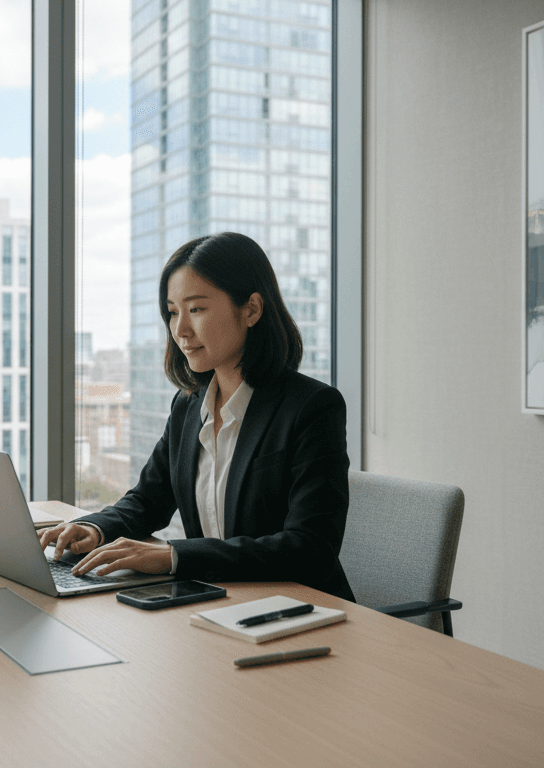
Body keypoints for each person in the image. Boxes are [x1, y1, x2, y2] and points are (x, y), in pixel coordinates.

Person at [39, 232, 354, 601]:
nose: (181, 330)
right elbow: (147, 501)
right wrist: (94, 527)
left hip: (301, 610)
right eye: (173, 312)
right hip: (218, 601)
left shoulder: (312, 407)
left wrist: (174, 556)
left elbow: (309, 548)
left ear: (251, 309)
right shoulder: (189, 405)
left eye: (197, 309)